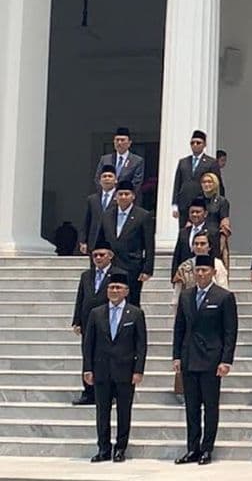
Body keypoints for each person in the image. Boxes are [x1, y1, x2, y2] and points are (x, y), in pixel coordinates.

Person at [172, 254, 238, 465]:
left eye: (205, 270)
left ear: (213, 272)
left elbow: (230, 332)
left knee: (210, 406)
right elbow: (179, 328)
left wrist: (226, 360)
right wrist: (176, 356)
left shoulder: (224, 297)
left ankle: (207, 448)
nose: (201, 274)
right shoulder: (186, 295)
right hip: (189, 357)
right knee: (191, 407)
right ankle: (192, 448)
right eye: (198, 270)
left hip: (212, 359)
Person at [82, 272, 147, 463]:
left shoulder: (135, 313)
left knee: (124, 411)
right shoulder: (96, 313)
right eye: (111, 287)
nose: (114, 290)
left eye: (118, 287)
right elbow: (88, 344)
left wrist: (138, 370)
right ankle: (103, 448)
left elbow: (141, 344)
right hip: (101, 370)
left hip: (125, 370)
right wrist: (87, 368)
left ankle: (120, 448)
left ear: (126, 291)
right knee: (102, 411)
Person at [71, 243, 124, 406]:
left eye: (102, 255)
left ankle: (111, 392)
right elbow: (81, 298)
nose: (98, 258)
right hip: (88, 322)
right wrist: (77, 320)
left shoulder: (118, 274)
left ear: (110, 256)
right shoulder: (86, 275)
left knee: (109, 358)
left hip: (109, 321)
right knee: (88, 355)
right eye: (95, 255)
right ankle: (88, 392)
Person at [96, 179, 154, 307]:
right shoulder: (107, 215)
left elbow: (149, 244)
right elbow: (100, 241)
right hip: (110, 265)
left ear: (133, 196)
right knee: (108, 301)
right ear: (115, 196)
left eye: (126, 194)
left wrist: (147, 269)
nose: (123, 197)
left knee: (132, 301)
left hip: (132, 265)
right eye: (120, 194)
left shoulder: (143, 215)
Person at [172, 130, 221, 227]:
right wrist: (174, 205)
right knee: (184, 234)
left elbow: (217, 184)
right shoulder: (183, 162)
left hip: (203, 204)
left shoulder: (211, 162)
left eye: (198, 143)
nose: (195, 145)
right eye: (192, 143)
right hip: (184, 204)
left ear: (204, 144)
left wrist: (216, 205)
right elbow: (177, 183)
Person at [172, 198, 220, 278]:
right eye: (192, 212)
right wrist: (174, 275)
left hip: (204, 275)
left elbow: (215, 253)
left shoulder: (213, 232)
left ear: (205, 214)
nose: (194, 214)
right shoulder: (183, 232)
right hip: (185, 274)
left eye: (198, 212)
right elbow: (177, 255)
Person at [80, 165, 119, 254]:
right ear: (100, 181)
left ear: (116, 180)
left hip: (113, 240)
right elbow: (87, 221)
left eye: (110, 176)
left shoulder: (120, 198)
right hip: (94, 240)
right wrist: (83, 241)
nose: (107, 179)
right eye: (104, 176)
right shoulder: (92, 199)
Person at [94, 127, 145, 194]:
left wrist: (121, 195)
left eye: (122, 140)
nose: (119, 143)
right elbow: (98, 179)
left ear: (129, 143)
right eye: (117, 140)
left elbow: (136, 182)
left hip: (126, 199)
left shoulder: (137, 161)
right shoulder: (105, 159)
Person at [199, 172, 231, 266]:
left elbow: (224, 222)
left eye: (209, 182)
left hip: (215, 239)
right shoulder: (197, 200)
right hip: (199, 239)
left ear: (215, 184)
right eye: (204, 182)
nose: (206, 184)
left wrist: (222, 243)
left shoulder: (222, 201)